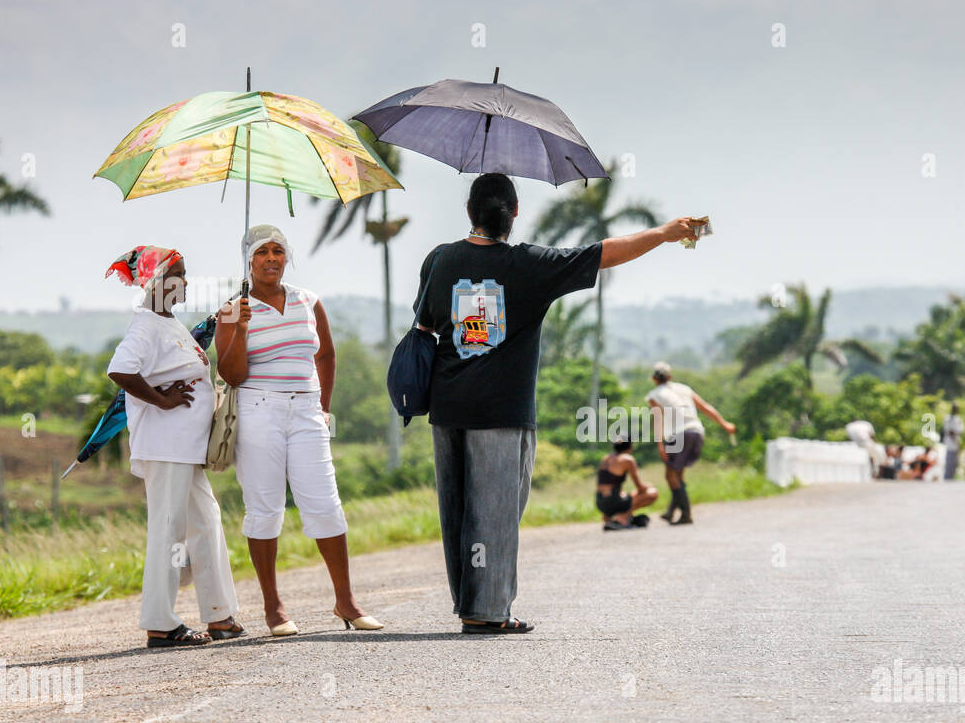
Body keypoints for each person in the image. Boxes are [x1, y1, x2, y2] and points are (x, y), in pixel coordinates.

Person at [415, 172, 698, 633]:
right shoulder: (531, 264)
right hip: (501, 411)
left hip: (447, 407)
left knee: (459, 511)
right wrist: (665, 233)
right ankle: (486, 611)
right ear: (515, 214)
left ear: (470, 212)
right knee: (496, 511)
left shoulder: (439, 260)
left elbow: (426, 322)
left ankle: (471, 601)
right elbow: (605, 252)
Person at [215, 224, 382, 636]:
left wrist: (323, 408)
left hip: (306, 411)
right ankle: (273, 607)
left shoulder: (309, 300)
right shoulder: (231, 309)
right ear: (248, 260)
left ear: (286, 257)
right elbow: (231, 375)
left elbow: (325, 354)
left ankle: (346, 601)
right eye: (262, 252)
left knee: (325, 503)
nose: (271, 258)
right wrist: (239, 329)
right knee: (265, 508)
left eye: (278, 251)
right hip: (258, 411)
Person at [105, 245, 242, 648]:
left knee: (206, 523)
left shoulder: (169, 323)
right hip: (166, 448)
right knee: (169, 531)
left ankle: (220, 616)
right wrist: (162, 400)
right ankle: (161, 624)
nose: (184, 280)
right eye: (178, 273)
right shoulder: (146, 325)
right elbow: (120, 369)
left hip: (186, 448)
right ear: (156, 281)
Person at [645, 362, 736, 525]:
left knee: (671, 475)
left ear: (654, 378)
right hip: (696, 432)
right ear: (670, 377)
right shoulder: (684, 389)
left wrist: (660, 444)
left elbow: (658, 419)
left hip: (678, 434)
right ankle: (671, 511)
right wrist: (724, 424)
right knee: (677, 474)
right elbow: (705, 407)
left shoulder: (654, 395)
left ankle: (686, 514)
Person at [596, 440, 658, 530]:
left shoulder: (607, 458)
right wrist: (648, 486)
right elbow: (640, 487)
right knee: (652, 492)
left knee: (625, 494)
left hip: (600, 502)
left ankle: (610, 517)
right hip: (613, 501)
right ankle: (622, 518)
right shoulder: (627, 459)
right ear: (630, 446)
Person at [941, 403, 963, 480]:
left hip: (956, 442)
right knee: (949, 461)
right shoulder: (947, 419)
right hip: (950, 443)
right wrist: (953, 435)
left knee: (955, 462)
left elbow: (960, 430)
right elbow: (947, 430)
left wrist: (956, 436)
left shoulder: (958, 419)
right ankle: (947, 477)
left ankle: (952, 477)